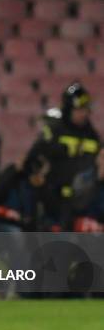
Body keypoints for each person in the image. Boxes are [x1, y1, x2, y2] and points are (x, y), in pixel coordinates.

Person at [27, 82, 100, 229]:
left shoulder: (92, 135)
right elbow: (32, 159)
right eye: (79, 109)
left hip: (84, 200)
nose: (84, 113)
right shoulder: (54, 131)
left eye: (86, 109)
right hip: (52, 197)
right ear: (68, 109)